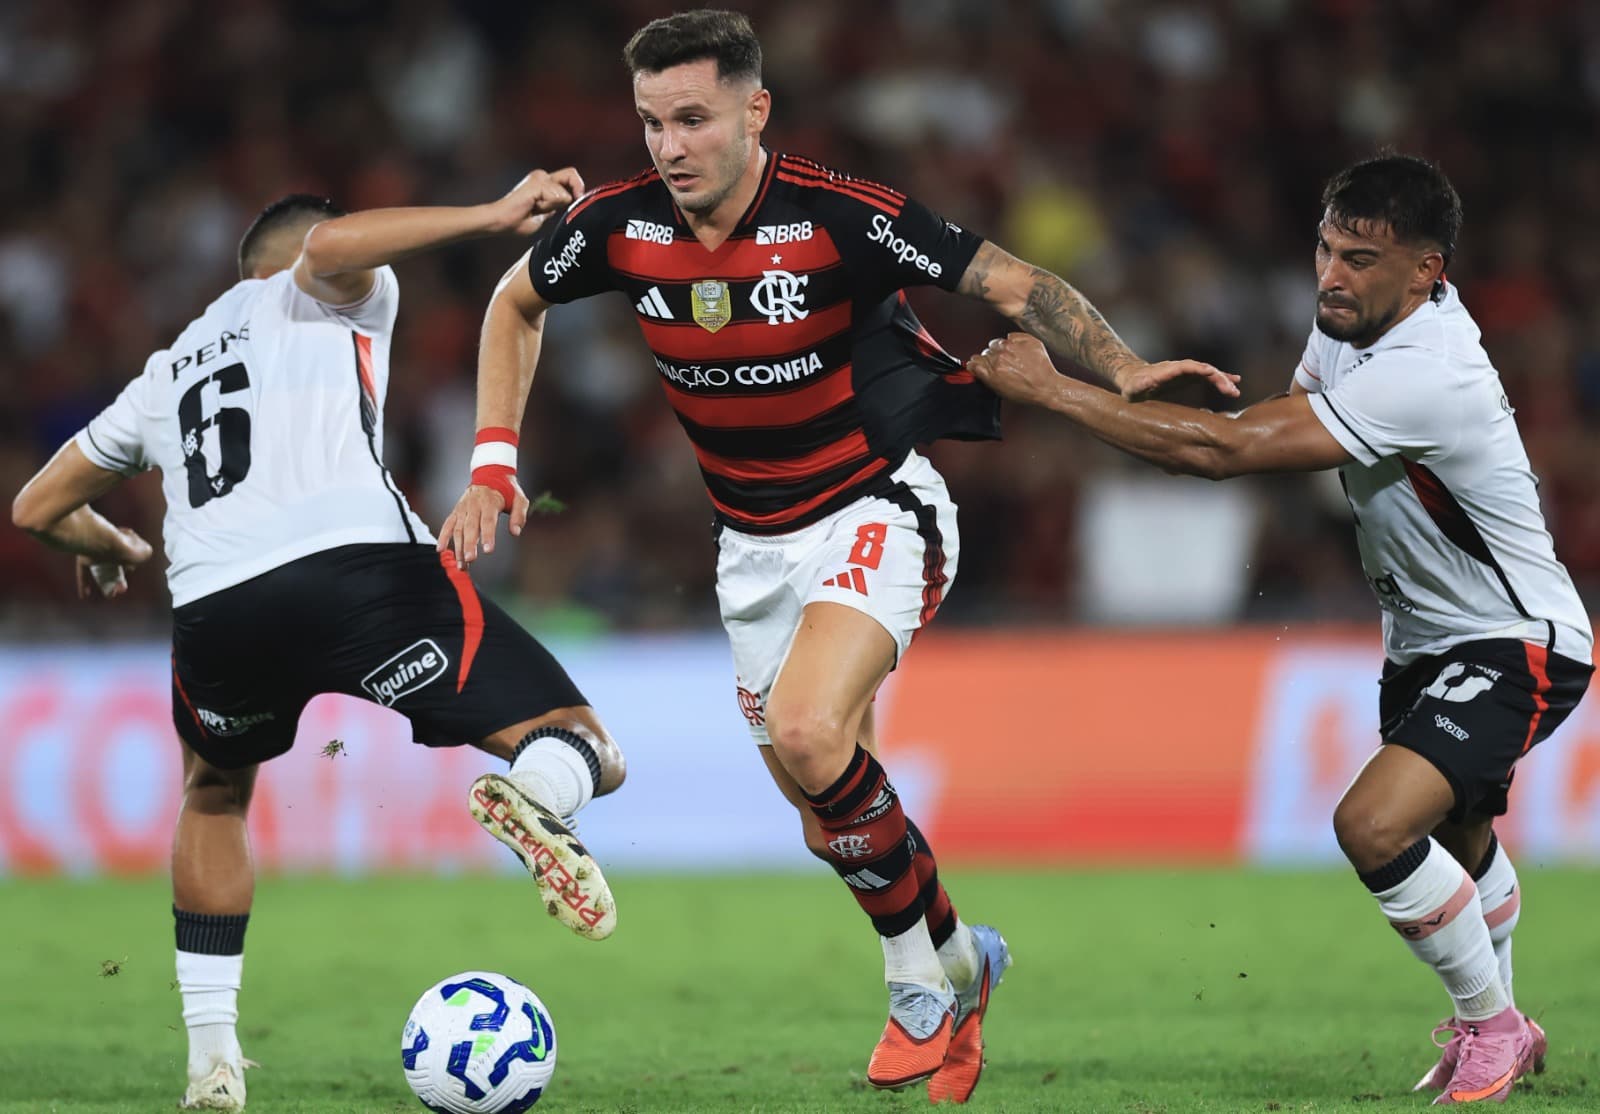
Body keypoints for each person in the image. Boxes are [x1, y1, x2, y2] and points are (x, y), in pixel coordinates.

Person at [437, 10, 1232, 1101]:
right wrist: (491, 460)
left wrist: (1120, 363)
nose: (668, 146)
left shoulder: (840, 216)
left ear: (754, 112)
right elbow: (513, 300)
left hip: (875, 503)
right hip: (748, 552)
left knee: (812, 732)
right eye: (651, 122)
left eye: (693, 120)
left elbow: (1007, 280)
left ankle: (912, 983)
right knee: (828, 818)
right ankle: (964, 963)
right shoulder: (618, 226)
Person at [968, 153, 1593, 1106]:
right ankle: (1505, 1024)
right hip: (1425, 639)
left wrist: (1058, 391)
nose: (1332, 276)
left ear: (1428, 271)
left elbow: (1227, 453)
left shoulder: (1432, 370)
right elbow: (1284, 429)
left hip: (1517, 639)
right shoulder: (1349, 327)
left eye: (1362, 259)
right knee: (1461, 839)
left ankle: (1493, 1027)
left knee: (1374, 825)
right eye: (1325, 249)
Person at [10, 174, 630, 1112]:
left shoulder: (166, 369)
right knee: (583, 743)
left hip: (218, 606)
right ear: (303, 252)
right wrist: (491, 216)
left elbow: (37, 506)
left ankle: (212, 1064)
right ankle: (538, 795)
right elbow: (333, 252)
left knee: (213, 792)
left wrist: (113, 545)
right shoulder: (328, 285)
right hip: (359, 575)